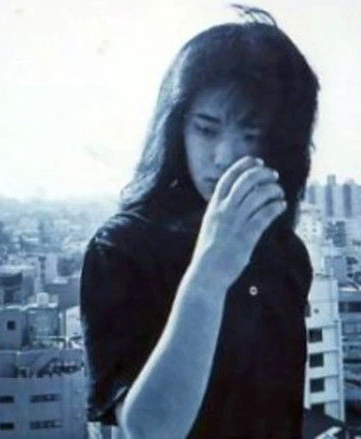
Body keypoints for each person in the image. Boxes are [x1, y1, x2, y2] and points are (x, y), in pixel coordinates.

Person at [81, 7, 319, 438]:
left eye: (251, 135)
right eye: (207, 130)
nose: (224, 157)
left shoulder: (286, 252)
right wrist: (210, 274)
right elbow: (148, 430)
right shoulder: (124, 248)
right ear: (177, 130)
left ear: (282, 144)